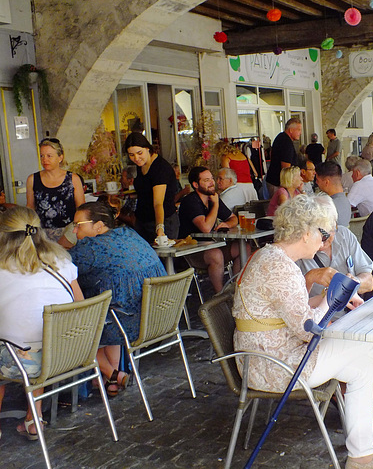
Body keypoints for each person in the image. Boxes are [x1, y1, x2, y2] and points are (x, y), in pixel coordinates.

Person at [233, 194, 373, 469]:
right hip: (272, 364)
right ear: (305, 232)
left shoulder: (270, 257)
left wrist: (329, 297)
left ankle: (363, 456)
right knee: (364, 344)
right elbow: (307, 330)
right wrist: (331, 298)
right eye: (322, 234)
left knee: (361, 365)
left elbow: (287, 310)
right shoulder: (280, 267)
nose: (325, 242)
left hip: (268, 354)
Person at [0, 206, 83, 439]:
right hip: (68, 353)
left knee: (18, 343)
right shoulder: (61, 260)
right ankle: (33, 418)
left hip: (25, 361)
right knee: (39, 339)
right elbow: (80, 303)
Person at [69, 202, 166, 397]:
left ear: (98, 226)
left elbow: (62, 268)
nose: (74, 229)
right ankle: (112, 379)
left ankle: (111, 373)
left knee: (73, 330)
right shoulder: (129, 234)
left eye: (79, 224)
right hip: (157, 317)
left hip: (127, 322)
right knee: (109, 304)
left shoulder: (91, 247)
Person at [297, 195, 373, 299]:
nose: (322, 242)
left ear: (335, 226)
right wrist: (310, 278)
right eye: (319, 234)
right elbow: (295, 303)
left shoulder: (344, 235)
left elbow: (369, 282)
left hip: (354, 309)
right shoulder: (299, 251)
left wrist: (354, 282)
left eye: (327, 233)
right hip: (322, 314)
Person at [179, 167, 241, 293]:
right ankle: (220, 296)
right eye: (207, 180)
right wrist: (216, 205)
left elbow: (234, 218)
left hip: (212, 245)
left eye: (212, 179)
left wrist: (227, 224)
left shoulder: (212, 197)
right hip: (191, 251)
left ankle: (237, 290)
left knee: (243, 247)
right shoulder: (191, 201)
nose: (212, 182)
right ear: (196, 184)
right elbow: (206, 228)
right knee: (216, 255)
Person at [26, 138, 85, 241]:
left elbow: (81, 208)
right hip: (42, 233)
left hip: (69, 232)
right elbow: (30, 208)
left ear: (60, 157)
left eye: (49, 156)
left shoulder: (73, 179)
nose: (45, 160)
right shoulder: (32, 179)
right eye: (42, 156)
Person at [125, 133, 178, 243]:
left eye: (139, 153)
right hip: (143, 220)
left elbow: (158, 203)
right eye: (131, 155)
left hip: (163, 220)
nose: (136, 158)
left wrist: (159, 228)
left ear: (147, 148)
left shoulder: (160, 168)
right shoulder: (141, 164)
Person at [266, 118, 302, 196]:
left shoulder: (281, 137)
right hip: (278, 184)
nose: (300, 133)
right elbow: (286, 168)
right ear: (291, 130)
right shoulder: (286, 142)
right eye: (298, 130)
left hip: (275, 182)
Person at [315, 161, 351, 227]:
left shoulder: (328, 207)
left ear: (326, 182)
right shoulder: (346, 201)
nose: (316, 183)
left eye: (317, 180)